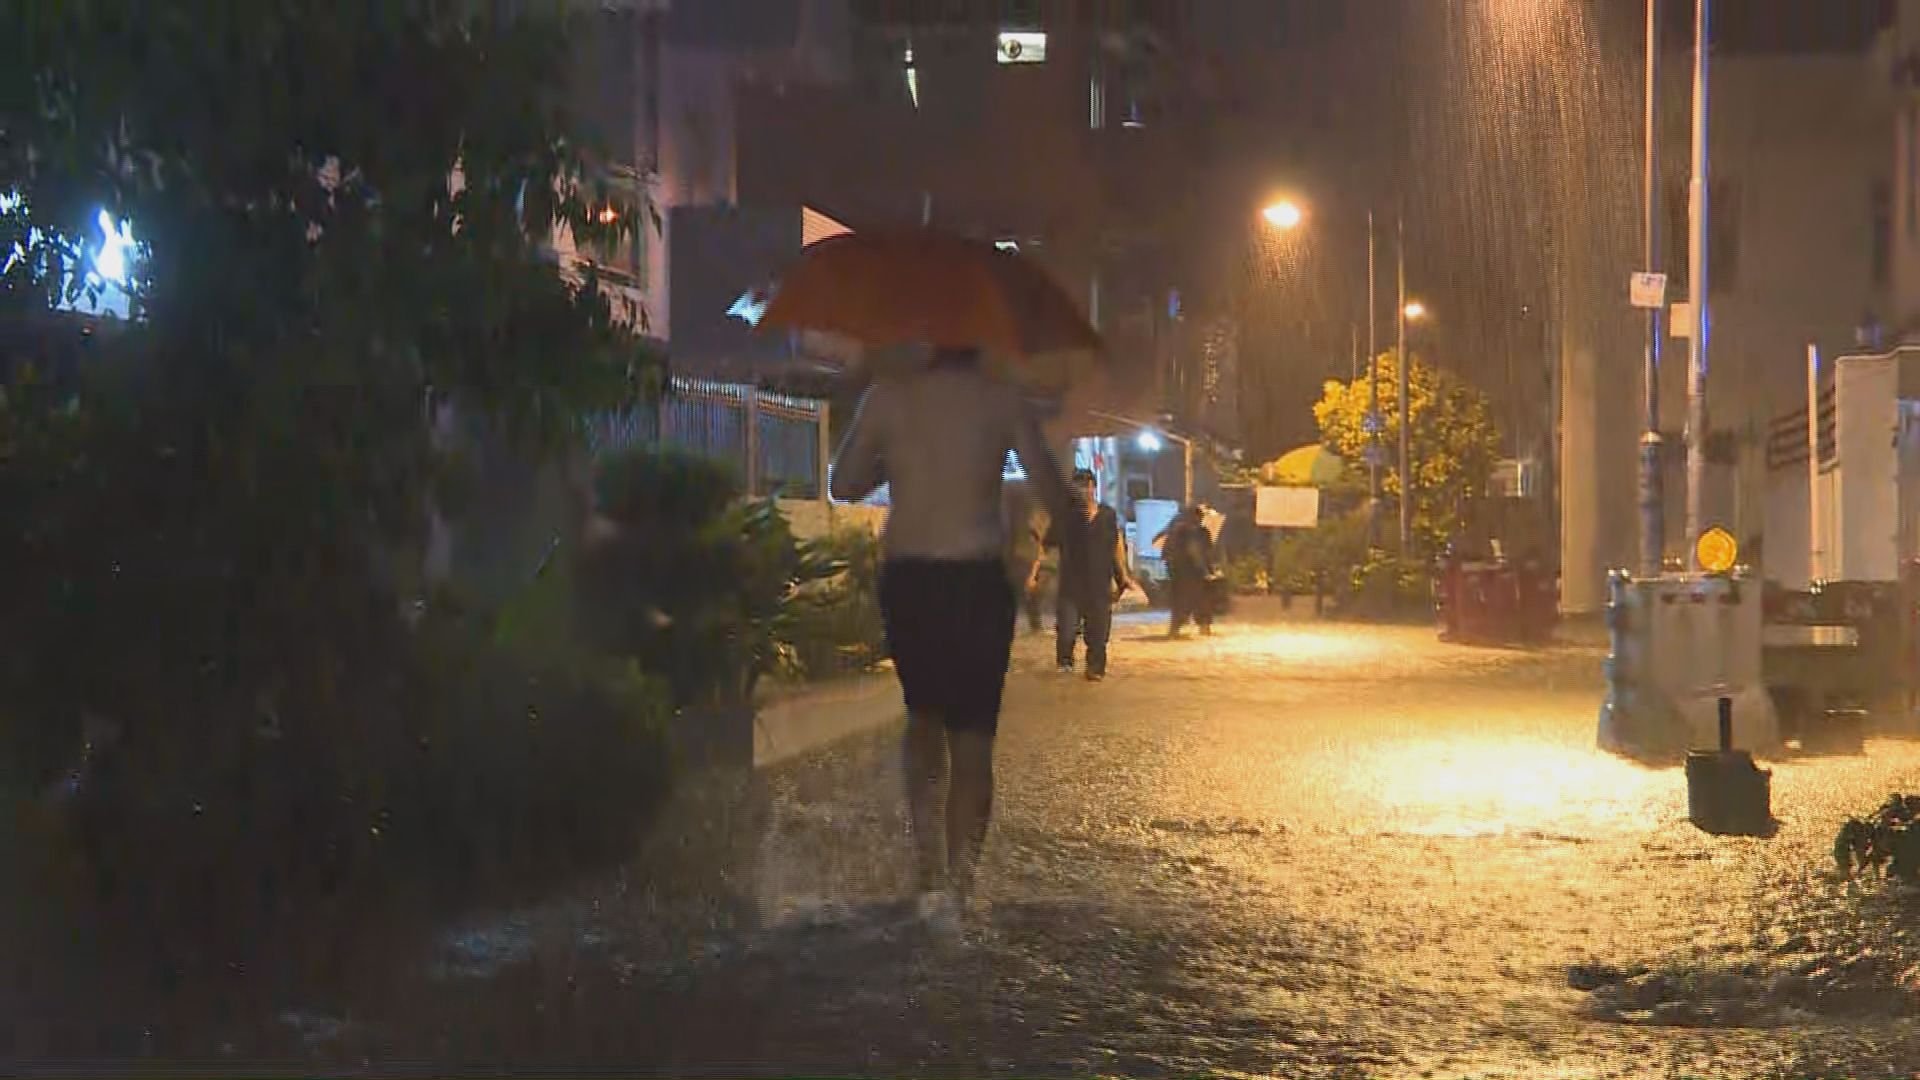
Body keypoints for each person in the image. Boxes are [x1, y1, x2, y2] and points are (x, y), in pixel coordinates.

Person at [829, 346, 1079, 922]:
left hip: (912, 577)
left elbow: (844, 484)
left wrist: (893, 463)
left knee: (923, 722)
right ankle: (961, 890)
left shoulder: (888, 396)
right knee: (972, 740)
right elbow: (1049, 485)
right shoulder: (1000, 398)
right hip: (976, 581)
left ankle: (926, 874)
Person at [1045, 469, 1133, 680]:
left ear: (1094, 487)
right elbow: (1048, 546)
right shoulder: (1066, 516)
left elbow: (1117, 545)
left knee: (1098, 630)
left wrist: (1123, 575)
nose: (1083, 491)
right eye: (1078, 487)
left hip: (1100, 581)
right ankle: (1065, 661)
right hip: (1071, 582)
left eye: (1086, 485)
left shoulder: (1108, 515)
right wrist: (1039, 573)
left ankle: (1095, 668)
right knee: (1067, 629)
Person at [1159, 504, 1215, 637]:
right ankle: (1203, 627)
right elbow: (1198, 552)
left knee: (1179, 602)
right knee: (1200, 600)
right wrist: (1206, 570)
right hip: (1193, 573)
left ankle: (1175, 629)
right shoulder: (1198, 532)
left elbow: (1166, 553)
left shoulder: (1175, 531)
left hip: (1178, 573)